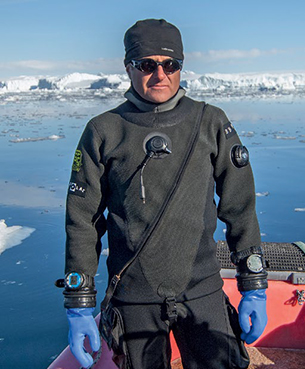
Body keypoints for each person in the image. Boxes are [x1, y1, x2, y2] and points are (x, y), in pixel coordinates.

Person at [61, 19, 268, 369]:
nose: (160, 74)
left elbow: (240, 206)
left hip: (202, 288)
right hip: (133, 299)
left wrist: (253, 283)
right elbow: (82, 218)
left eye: (170, 64)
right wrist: (79, 303)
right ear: (129, 68)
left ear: (181, 66)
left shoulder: (211, 122)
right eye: (146, 64)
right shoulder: (103, 130)